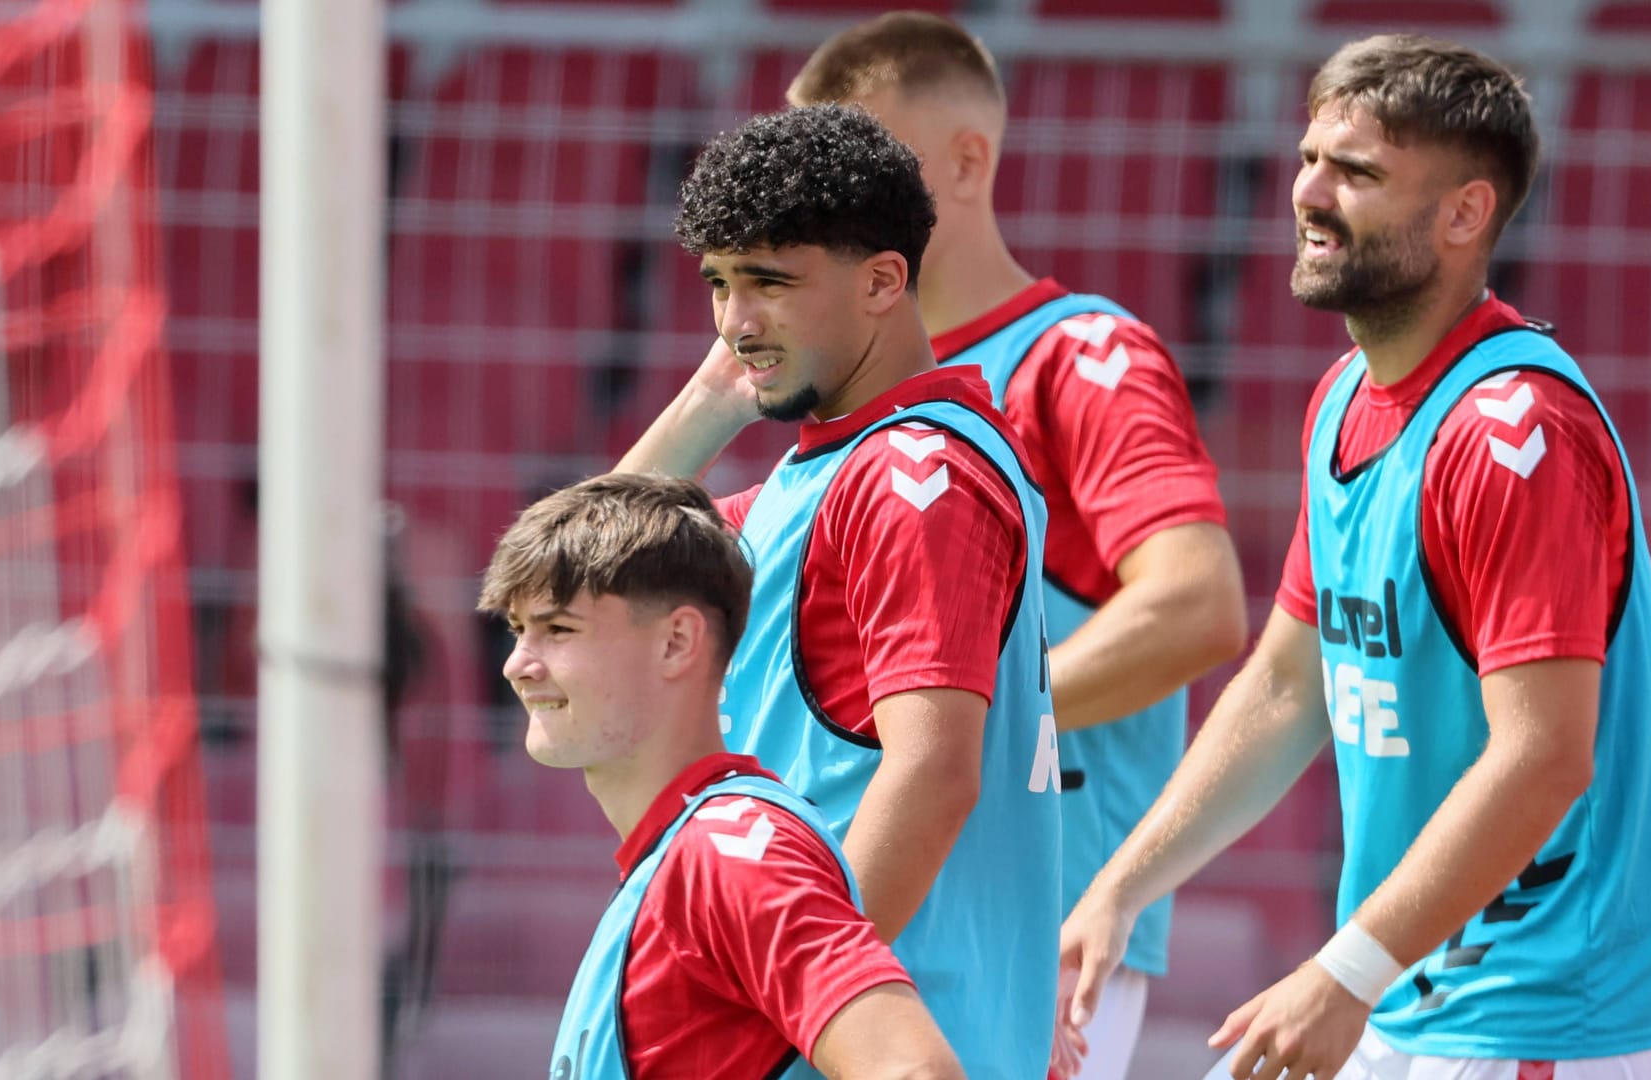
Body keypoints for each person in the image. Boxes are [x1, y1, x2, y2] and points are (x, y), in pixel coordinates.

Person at [1059, 33, 1651, 1080]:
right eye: (1310, 157)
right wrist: (1120, 885)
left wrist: (1345, 970)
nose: (1309, 194)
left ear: (1465, 215)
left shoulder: (1513, 436)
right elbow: (1284, 687)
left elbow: (1545, 754)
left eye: (1356, 173)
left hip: (1551, 1002)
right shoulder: (1343, 399)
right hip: (1418, 984)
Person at [786, 17, 1249, 1077]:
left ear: (966, 160)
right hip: (886, 895)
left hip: (1035, 926)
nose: (827, 205)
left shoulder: (1080, 355)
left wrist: (952, 724)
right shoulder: (848, 396)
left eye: (860, 163)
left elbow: (1195, 604)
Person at [614, 104, 1062, 1080]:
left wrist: (799, 1011)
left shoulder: (912, 480)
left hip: (878, 1044)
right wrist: (711, 398)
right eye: (720, 286)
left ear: (883, 281)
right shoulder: (822, 476)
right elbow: (592, 584)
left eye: (771, 283)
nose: (737, 321)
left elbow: (934, 772)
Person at [479, 473, 965, 1080]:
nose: (517, 665)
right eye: (518, 630)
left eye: (558, 629)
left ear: (677, 641)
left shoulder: (728, 854)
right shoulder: (684, 857)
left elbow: (916, 1070)